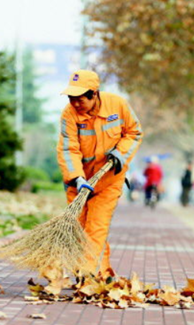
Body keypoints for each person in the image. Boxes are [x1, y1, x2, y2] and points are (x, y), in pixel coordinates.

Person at [57, 69, 143, 277]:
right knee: (80, 229)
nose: (75, 103)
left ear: (94, 94)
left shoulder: (118, 105)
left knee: (96, 227)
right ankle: (102, 273)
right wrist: (77, 178)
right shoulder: (69, 114)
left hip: (108, 181)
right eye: (71, 98)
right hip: (78, 183)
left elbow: (135, 132)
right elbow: (68, 149)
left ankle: (86, 275)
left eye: (79, 99)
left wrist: (120, 154)